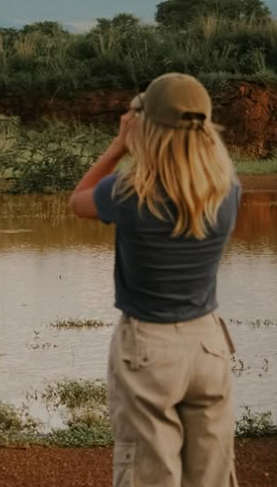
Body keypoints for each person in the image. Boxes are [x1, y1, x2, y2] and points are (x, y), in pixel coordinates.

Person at [68, 73, 240, 487]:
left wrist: (119, 146)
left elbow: (78, 201)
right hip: (208, 345)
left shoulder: (129, 191)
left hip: (149, 346)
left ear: (148, 125)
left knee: (150, 472)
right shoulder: (226, 189)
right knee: (212, 473)